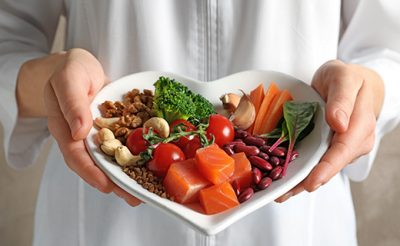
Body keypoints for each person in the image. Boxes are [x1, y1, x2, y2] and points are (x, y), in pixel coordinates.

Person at [1, 1, 400, 245]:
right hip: (103, 215)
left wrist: (370, 90)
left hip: (295, 218)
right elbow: (8, 43)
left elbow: (387, 46)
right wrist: (55, 80)